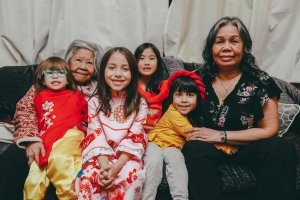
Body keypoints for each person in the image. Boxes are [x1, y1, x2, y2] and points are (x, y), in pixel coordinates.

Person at [182, 16, 298, 200]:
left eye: (234, 41)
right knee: (193, 148)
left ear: (244, 47)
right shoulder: (196, 79)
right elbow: (178, 116)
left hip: (247, 147)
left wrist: (223, 136)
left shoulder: (261, 81)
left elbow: (270, 129)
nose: (226, 47)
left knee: (282, 147)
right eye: (220, 41)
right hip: (208, 148)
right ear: (211, 48)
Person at [0, 39, 103, 200]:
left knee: (65, 170)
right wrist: (31, 139)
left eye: (89, 63)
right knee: (13, 158)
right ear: (68, 62)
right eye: (78, 60)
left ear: (95, 68)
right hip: (42, 137)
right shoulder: (49, 83)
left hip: (75, 145)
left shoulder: (99, 91)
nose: (83, 66)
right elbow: (25, 109)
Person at [75, 47, 148, 200]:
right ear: (103, 72)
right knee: (88, 176)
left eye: (125, 69)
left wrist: (115, 168)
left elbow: (135, 136)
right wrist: (105, 167)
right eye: (112, 68)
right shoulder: (94, 102)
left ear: (133, 74)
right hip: (100, 156)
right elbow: (95, 134)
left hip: (126, 157)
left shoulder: (139, 103)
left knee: (129, 176)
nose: (118, 74)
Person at [23, 56, 88, 199]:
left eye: (60, 73)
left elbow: (89, 118)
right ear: (43, 79)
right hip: (45, 139)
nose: (55, 76)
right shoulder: (38, 97)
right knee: (33, 180)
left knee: (60, 162)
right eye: (50, 73)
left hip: (70, 133)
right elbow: (30, 116)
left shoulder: (76, 95)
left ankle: (70, 196)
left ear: (68, 79)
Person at [142, 70, 205, 200]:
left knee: (178, 163)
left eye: (190, 95)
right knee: (153, 162)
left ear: (197, 98)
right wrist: (225, 146)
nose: (184, 100)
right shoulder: (173, 113)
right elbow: (194, 134)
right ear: (172, 97)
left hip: (173, 146)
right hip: (155, 142)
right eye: (179, 95)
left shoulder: (194, 117)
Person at [134, 43, 169, 133]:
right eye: (141, 58)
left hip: (158, 133)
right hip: (133, 132)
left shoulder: (166, 86)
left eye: (151, 58)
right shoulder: (130, 85)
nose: (146, 63)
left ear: (158, 62)